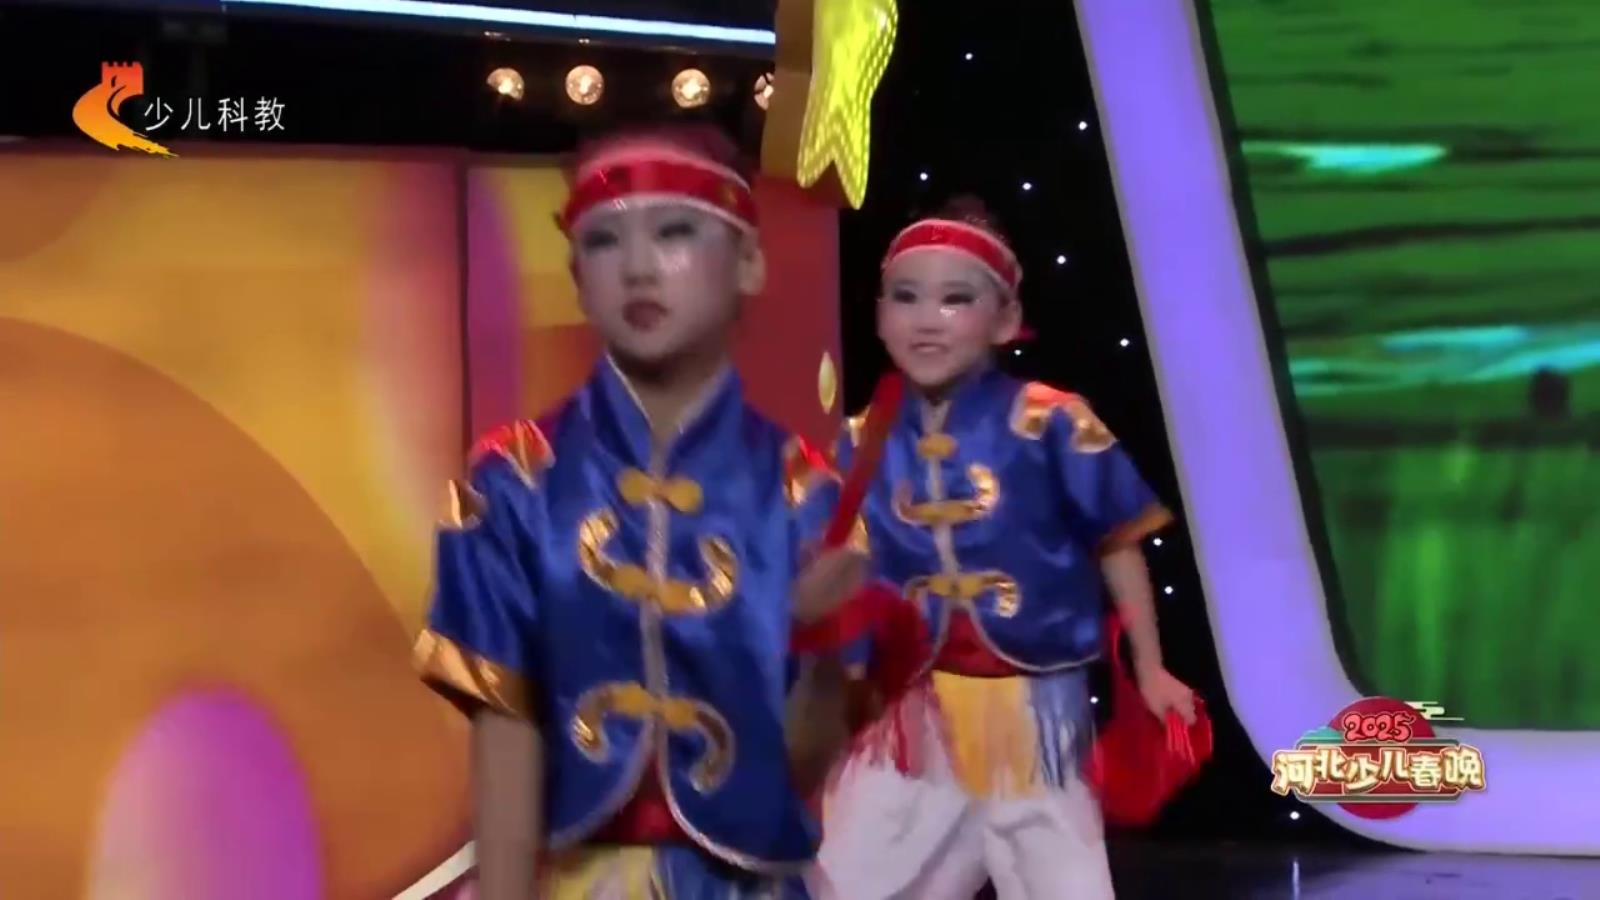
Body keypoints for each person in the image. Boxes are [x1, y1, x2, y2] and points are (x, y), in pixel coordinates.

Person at [413, 124, 866, 899]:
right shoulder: (515, 484)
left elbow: (795, 776)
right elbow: (506, 752)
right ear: (577, 277)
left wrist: (821, 650)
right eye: (603, 241)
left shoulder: (804, 495)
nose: (638, 267)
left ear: (749, 263)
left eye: (675, 232)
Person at [817, 197, 1196, 899]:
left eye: (955, 300)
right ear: (879, 315)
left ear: (1005, 319)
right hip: (913, 706)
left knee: (1058, 871)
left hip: (1033, 706)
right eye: (906, 297)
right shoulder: (864, 438)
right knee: (854, 872)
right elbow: (847, 570)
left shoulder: (1050, 422)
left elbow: (1117, 545)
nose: (926, 319)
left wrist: (1150, 668)